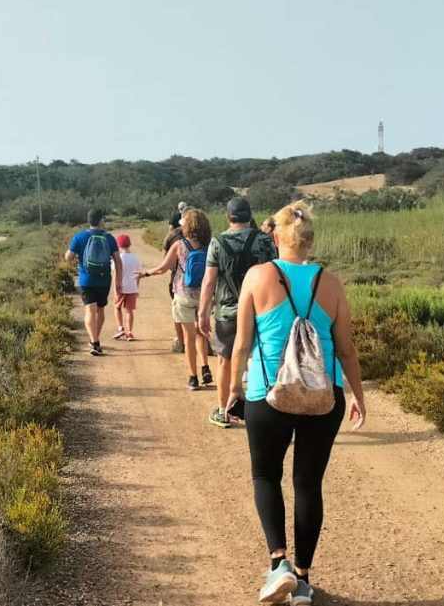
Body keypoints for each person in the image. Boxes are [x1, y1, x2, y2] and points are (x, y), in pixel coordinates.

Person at [226, 201, 366, 604]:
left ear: (275, 236)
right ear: (309, 240)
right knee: (308, 483)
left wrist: (232, 393)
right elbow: (346, 350)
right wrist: (357, 394)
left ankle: (278, 564)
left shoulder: (258, 276)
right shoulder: (332, 283)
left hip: (268, 396)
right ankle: (302, 579)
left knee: (265, 476)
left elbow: (241, 344)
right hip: (324, 397)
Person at [198, 197, 276, 428]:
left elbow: (209, 281)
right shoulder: (264, 240)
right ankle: (266, 414)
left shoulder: (217, 242)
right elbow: (275, 275)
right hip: (262, 310)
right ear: (250, 216)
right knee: (263, 360)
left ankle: (224, 411)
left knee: (225, 361)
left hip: (228, 312)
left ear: (228, 217)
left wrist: (203, 312)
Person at [137, 209, 213, 390]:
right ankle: (205, 367)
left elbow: (163, 268)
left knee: (189, 338)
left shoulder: (180, 245)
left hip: (183, 294)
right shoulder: (211, 245)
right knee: (202, 333)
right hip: (204, 296)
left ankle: (193, 378)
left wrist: (145, 273)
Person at [65, 209, 123, 356]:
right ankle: (94, 340)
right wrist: (118, 281)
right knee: (100, 310)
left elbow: (68, 257)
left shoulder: (80, 236)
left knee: (89, 310)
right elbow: (117, 261)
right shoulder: (109, 238)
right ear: (101, 220)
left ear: (88, 220)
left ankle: (94, 342)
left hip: (86, 279)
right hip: (104, 280)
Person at [164, 212, 186, 352]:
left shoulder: (172, 237)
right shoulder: (201, 236)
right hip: (198, 281)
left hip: (177, 279)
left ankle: (181, 341)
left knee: (178, 311)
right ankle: (203, 341)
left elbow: (166, 262)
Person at [112, 233, 140, 341]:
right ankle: (129, 332)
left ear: (119, 245)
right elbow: (138, 275)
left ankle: (120, 328)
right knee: (129, 311)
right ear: (130, 244)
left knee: (117, 307)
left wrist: (115, 288)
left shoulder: (118, 258)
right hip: (132, 287)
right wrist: (137, 288)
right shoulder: (135, 258)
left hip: (121, 287)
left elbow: (116, 274)